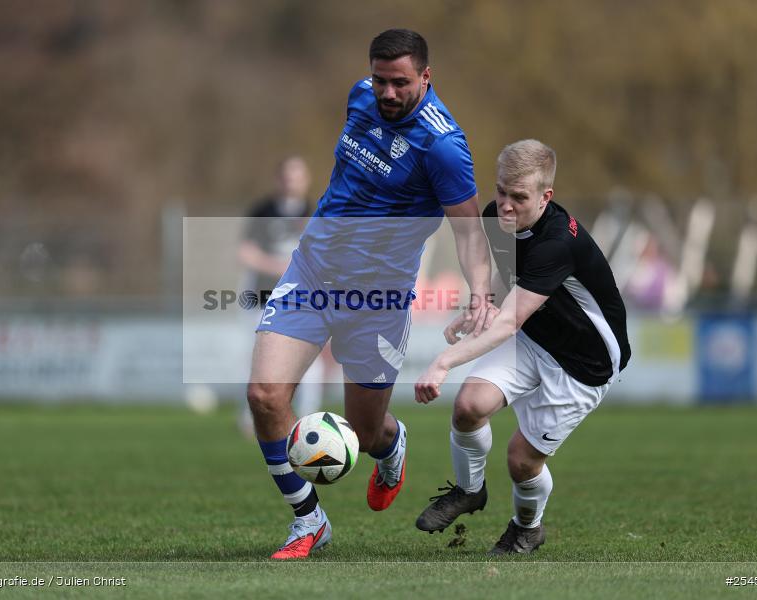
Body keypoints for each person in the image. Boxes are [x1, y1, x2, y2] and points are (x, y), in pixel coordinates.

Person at [247, 29, 492, 559]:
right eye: (380, 79)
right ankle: (308, 521)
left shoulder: (444, 147)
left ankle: (392, 444)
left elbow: (470, 231)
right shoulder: (360, 96)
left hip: (377, 300)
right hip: (312, 272)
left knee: (365, 428)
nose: (386, 92)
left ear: (426, 77)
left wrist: (480, 292)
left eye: (400, 83)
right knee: (265, 396)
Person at [413, 139, 631, 556]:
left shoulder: (557, 243)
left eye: (520, 197)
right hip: (537, 337)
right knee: (469, 406)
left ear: (546, 197)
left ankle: (526, 527)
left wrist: (442, 363)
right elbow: (513, 279)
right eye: (501, 192)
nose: (506, 206)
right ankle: (469, 490)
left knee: (521, 460)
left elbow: (512, 320)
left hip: (584, 362)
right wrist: (483, 304)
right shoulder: (497, 217)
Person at [237, 156, 324, 436]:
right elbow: (245, 253)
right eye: (287, 175)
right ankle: (252, 418)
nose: (291, 181)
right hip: (263, 295)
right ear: (278, 179)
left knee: (311, 361)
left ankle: (309, 419)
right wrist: (278, 266)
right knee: (259, 360)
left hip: (301, 298)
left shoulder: (316, 211)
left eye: (297, 176)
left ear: (306, 179)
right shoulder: (263, 211)